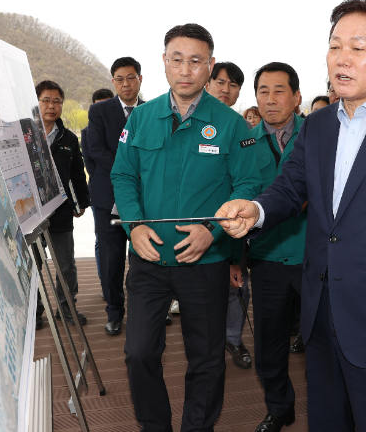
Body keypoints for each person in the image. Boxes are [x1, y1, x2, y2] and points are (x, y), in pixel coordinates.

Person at [216, 0, 366, 432]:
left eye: (358, 47)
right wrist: (254, 210)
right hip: (320, 314)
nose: (342, 59)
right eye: (335, 46)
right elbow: (290, 188)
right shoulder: (319, 124)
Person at [111, 23, 260, 432]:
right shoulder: (141, 119)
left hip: (205, 260)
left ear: (209, 67)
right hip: (148, 257)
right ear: (164, 62)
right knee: (139, 352)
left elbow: (248, 184)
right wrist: (133, 227)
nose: (185, 69)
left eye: (196, 61)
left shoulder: (231, 125)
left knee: (207, 359)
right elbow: (122, 176)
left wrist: (213, 229)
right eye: (177, 59)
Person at [237, 62, 308, 432]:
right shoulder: (244, 142)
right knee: (268, 345)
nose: (270, 99)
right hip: (266, 259)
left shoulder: (319, 136)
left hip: (315, 258)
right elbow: (235, 199)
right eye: (263, 91)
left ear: (297, 97)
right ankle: (280, 408)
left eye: (280, 90)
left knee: (323, 339)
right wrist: (236, 259)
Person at [87, 57, 146, 335]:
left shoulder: (153, 111)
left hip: (143, 198)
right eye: (120, 79)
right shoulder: (99, 111)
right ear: (113, 82)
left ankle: (144, 309)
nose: (126, 83)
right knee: (111, 260)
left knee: (144, 257)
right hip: (107, 197)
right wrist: (129, 168)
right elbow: (96, 150)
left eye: (131, 77)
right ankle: (114, 312)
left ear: (140, 80)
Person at [206, 61, 253, 369]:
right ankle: (208, 345)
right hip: (189, 230)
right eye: (220, 82)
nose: (225, 89)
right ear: (208, 83)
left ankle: (233, 339)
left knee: (238, 288)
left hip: (230, 230)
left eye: (233, 85)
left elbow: (246, 187)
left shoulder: (241, 129)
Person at [35, 80, 90, 327]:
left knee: (66, 265)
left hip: (60, 212)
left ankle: (66, 308)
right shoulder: (22, 133)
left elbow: (78, 172)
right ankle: (34, 311)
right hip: (29, 215)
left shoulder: (68, 137)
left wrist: (82, 203)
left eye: (57, 101)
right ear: (36, 102)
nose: (51, 106)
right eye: (46, 100)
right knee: (32, 266)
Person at [82, 88, 114, 297]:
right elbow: (89, 163)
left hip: (128, 191)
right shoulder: (86, 132)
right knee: (101, 241)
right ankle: (106, 285)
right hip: (101, 192)